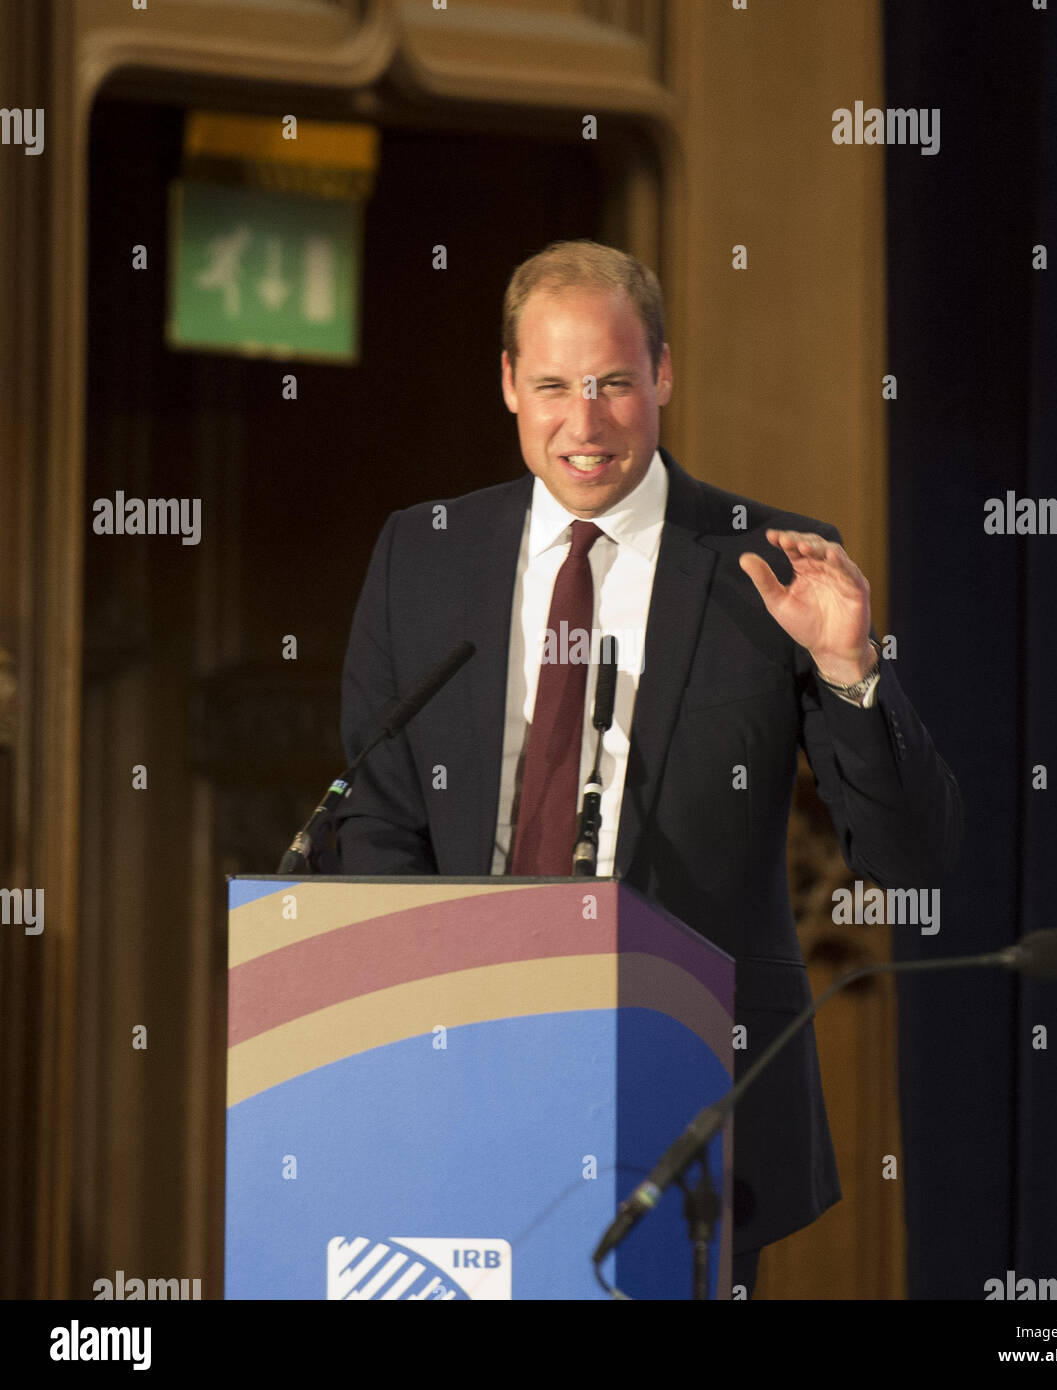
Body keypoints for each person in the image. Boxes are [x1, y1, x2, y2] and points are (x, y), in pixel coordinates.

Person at [336, 240, 961, 1297]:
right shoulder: (422, 554)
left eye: (614, 383)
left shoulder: (769, 562)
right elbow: (378, 823)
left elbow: (910, 857)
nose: (583, 423)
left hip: (688, 1092)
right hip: (466, 1072)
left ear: (662, 374)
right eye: (552, 385)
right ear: (506, 384)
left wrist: (850, 665)